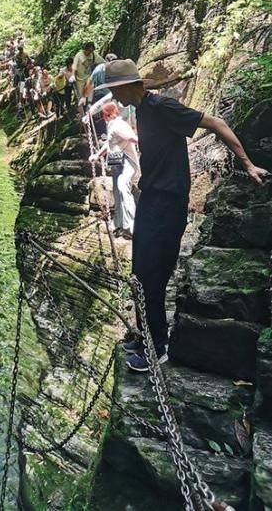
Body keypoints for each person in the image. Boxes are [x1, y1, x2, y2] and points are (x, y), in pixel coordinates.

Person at [96, 58, 269, 372]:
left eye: (113, 89)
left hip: (168, 203)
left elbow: (217, 123)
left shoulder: (163, 107)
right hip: (150, 198)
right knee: (140, 273)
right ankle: (146, 334)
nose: (112, 97)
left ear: (128, 85)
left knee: (153, 276)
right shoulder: (141, 109)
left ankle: (157, 348)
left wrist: (247, 163)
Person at [90, 101, 139, 239]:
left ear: (109, 114)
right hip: (117, 161)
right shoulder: (112, 125)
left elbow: (131, 137)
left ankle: (133, 224)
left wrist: (146, 141)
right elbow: (109, 144)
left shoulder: (119, 125)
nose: (104, 119)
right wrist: (97, 156)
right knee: (117, 191)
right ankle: (118, 224)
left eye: (104, 116)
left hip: (128, 162)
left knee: (123, 185)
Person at [73, 42, 104, 106]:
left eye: (91, 51)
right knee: (80, 97)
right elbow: (74, 66)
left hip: (88, 77)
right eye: (88, 50)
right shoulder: (79, 55)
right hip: (79, 79)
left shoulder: (93, 55)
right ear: (85, 49)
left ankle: (89, 105)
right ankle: (82, 113)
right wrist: (73, 75)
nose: (89, 52)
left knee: (90, 90)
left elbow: (102, 61)